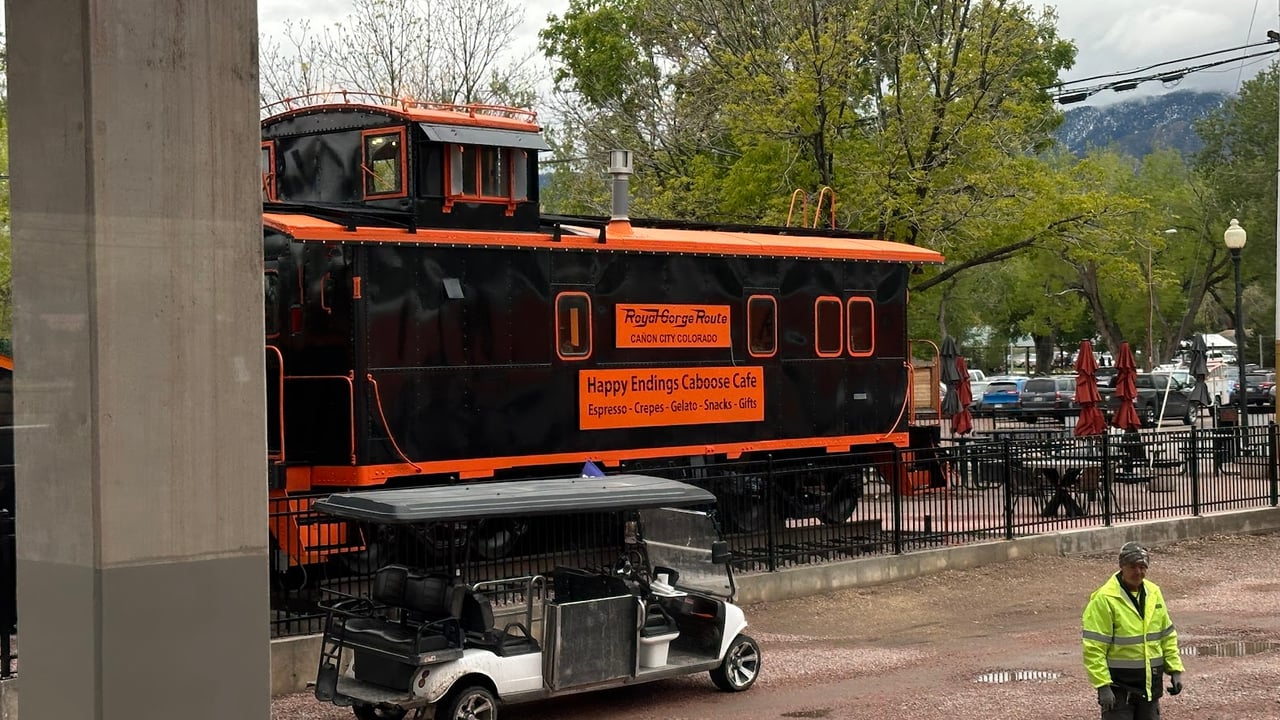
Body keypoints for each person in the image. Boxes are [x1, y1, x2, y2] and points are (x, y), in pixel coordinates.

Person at [1082, 542, 1185, 719]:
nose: (1138, 572)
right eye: (1132, 567)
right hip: (1119, 687)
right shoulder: (1104, 599)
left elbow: (1166, 636)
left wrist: (1175, 670)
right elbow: (1094, 647)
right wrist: (1102, 686)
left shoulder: (1153, 593)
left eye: (1142, 566)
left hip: (1149, 685)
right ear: (1122, 566)